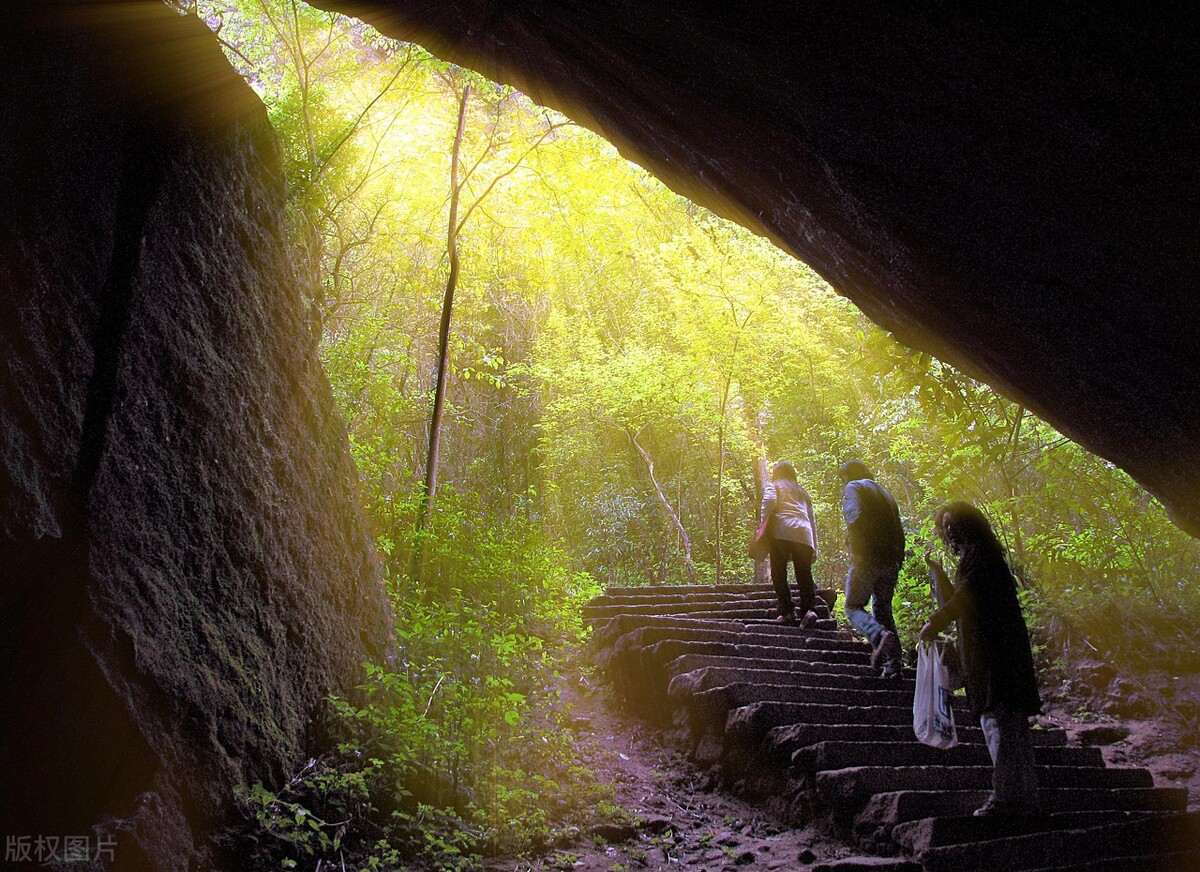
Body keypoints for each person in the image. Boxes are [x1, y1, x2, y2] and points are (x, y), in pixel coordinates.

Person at [919, 501, 1042, 817]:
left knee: (999, 722)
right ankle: (1023, 796)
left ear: (967, 526)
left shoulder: (982, 557)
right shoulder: (980, 557)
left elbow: (968, 597)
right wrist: (939, 575)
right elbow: (964, 596)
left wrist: (935, 622)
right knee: (1010, 725)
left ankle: (1007, 798)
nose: (949, 533)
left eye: (953, 526)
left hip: (996, 656)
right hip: (995, 655)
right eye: (945, 528)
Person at [839, 460, 905, 677]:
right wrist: (898, 559)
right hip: (891, 559)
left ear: (848, 475)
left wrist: (856, 549)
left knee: (853, 606)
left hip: (868, 556)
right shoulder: (886, 495)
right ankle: (894, 665)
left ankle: (876, 635)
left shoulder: (854, 487)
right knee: (883, 608)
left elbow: (854, 517)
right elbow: (898, 527)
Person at [760, 461, 819, 627]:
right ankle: (809, 610)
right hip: (804, 534)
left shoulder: (774, 485)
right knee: (804, 574)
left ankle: (787, 611)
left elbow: (769, 501)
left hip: (782, 532)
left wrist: (763, 524)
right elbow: (811, 518)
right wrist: (814, 546)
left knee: (779, 572)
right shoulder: (802, 492)